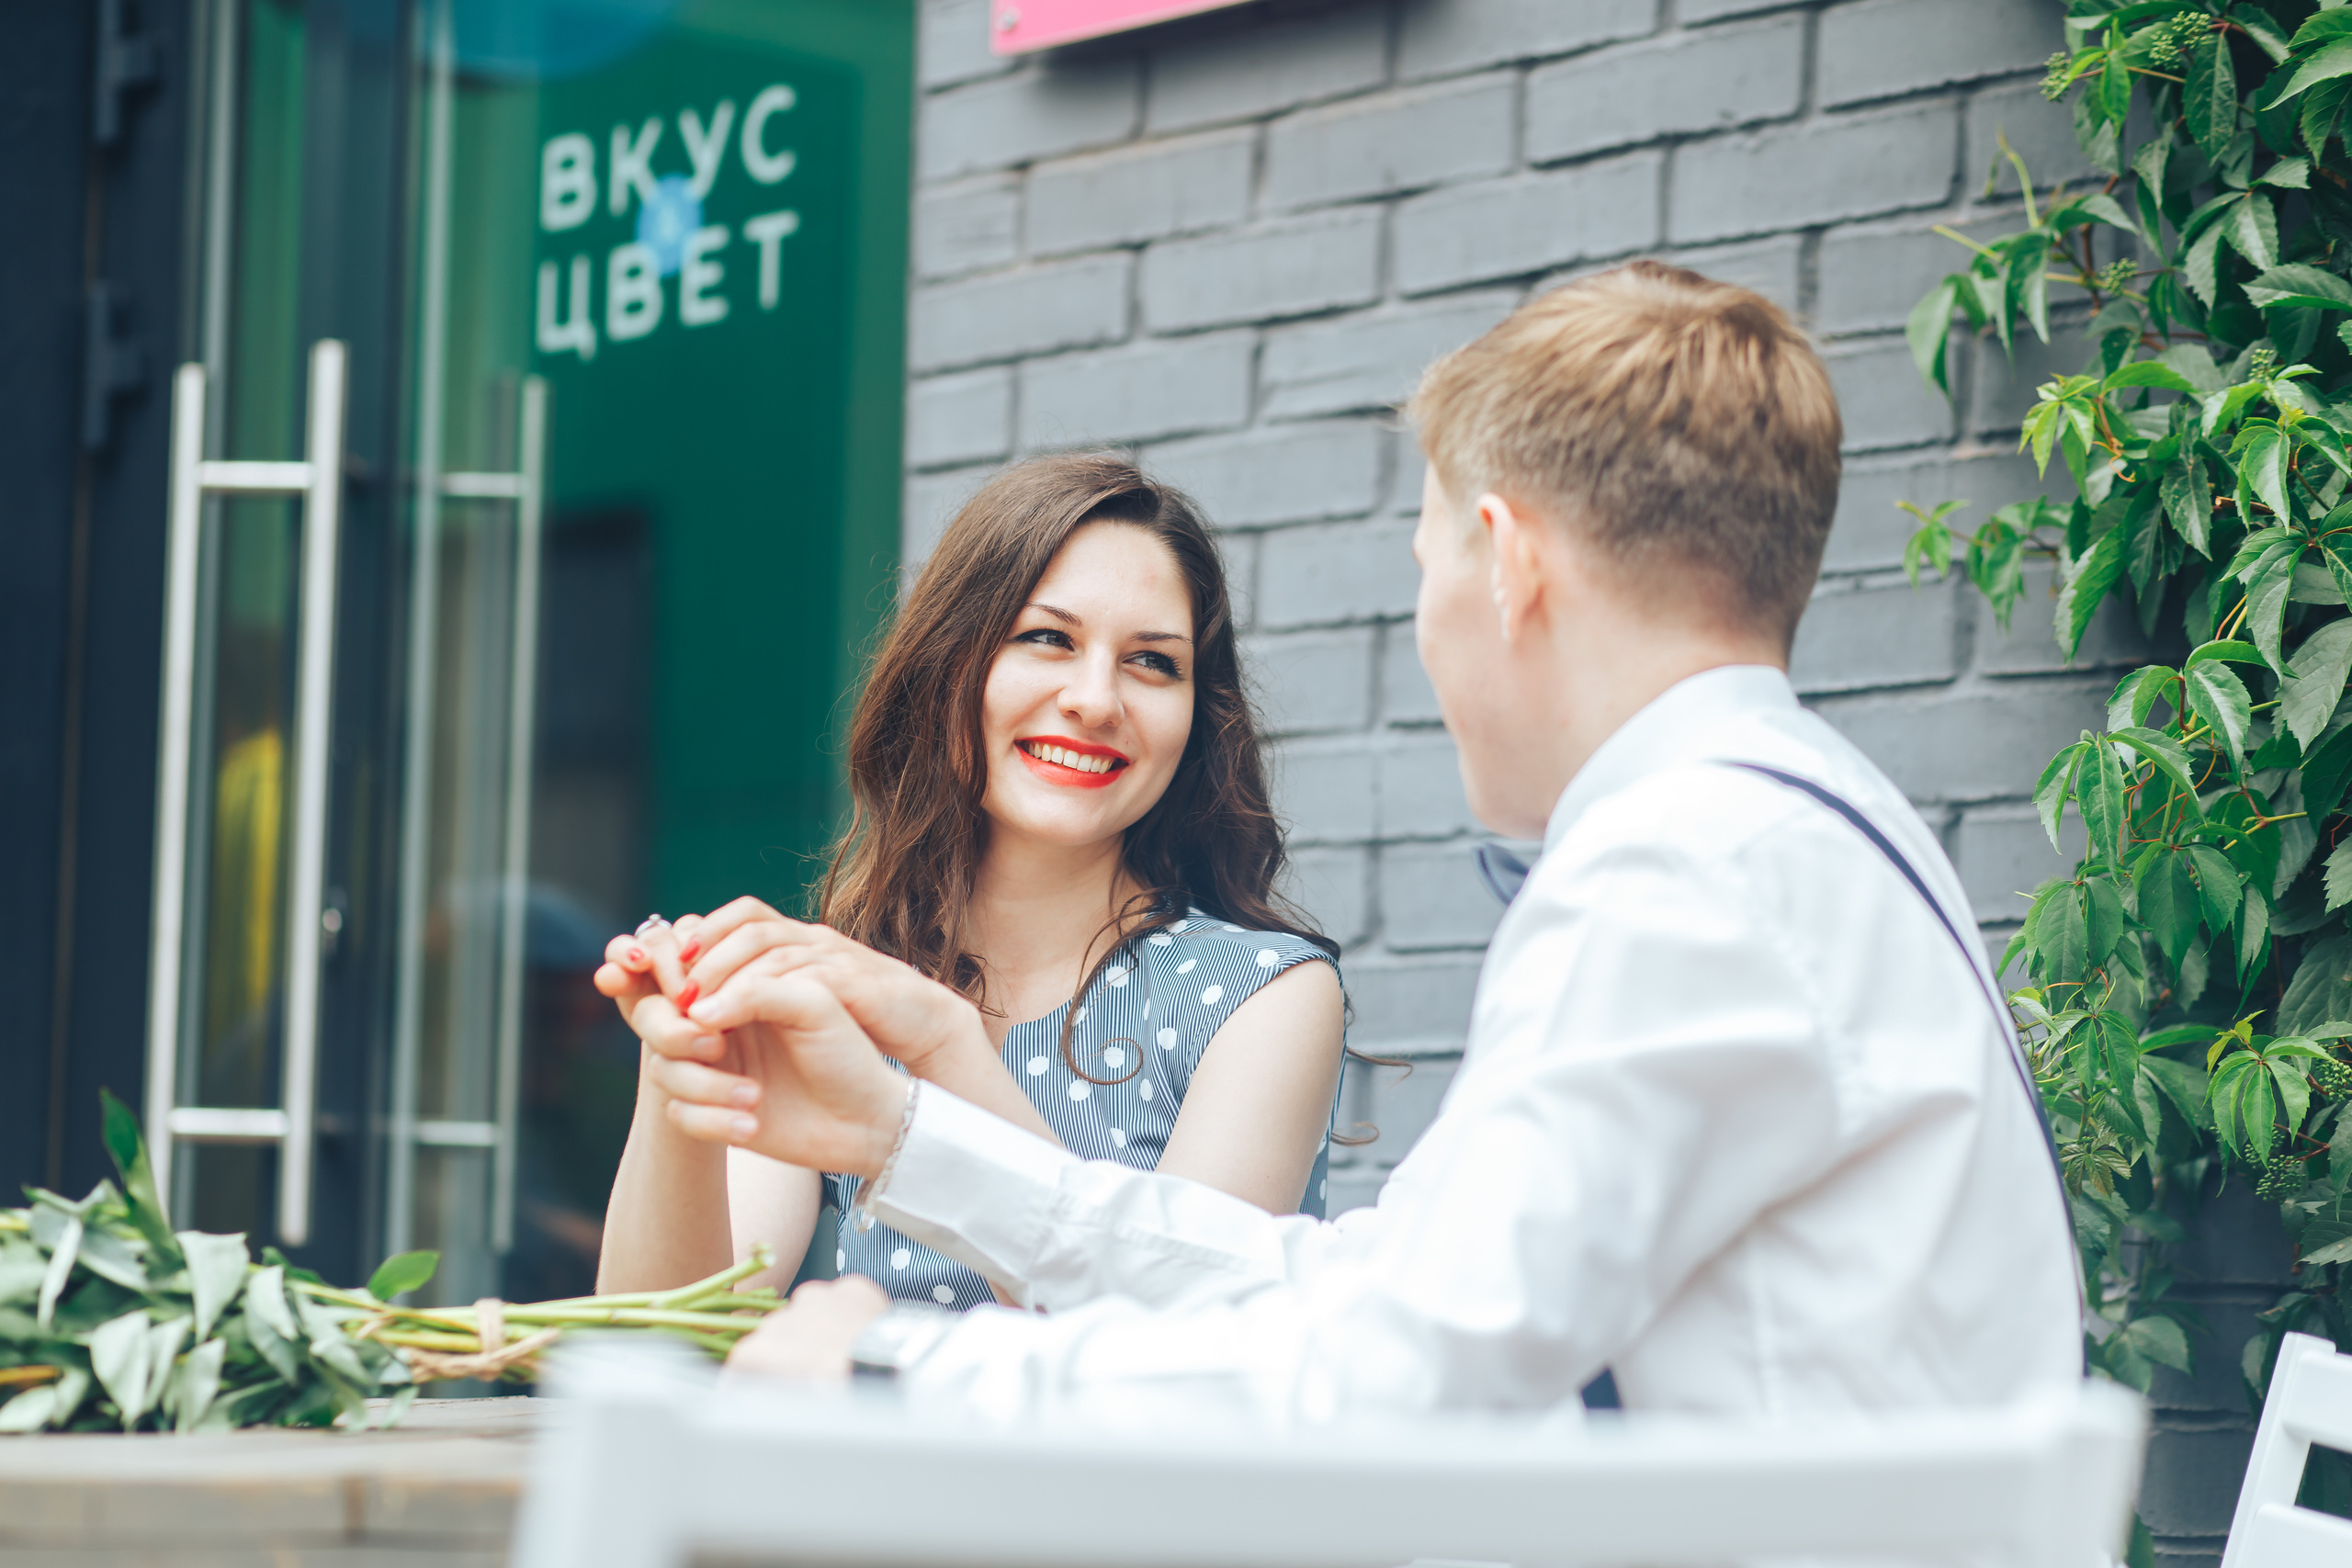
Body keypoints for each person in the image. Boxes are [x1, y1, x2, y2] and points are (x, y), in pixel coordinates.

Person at [630, 262, 2083, 1418]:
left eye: (1428, 557)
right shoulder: (1786, 823)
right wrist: (901, 1131)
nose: (1426, 617)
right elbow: (1374, 1287)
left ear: (1508, 562)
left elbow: (1406, 1376)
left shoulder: (1685, 873)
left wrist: (899, 1372)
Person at [593, 455, 1349, 1309]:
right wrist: (678, 1067)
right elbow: (658, 1343)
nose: (1096, 700)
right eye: (1048, 638)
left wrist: (946, 1050)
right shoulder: (845, 999)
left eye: (1153, 662)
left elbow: (1171, 1351)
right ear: (949, 663)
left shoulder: (1265, 998)